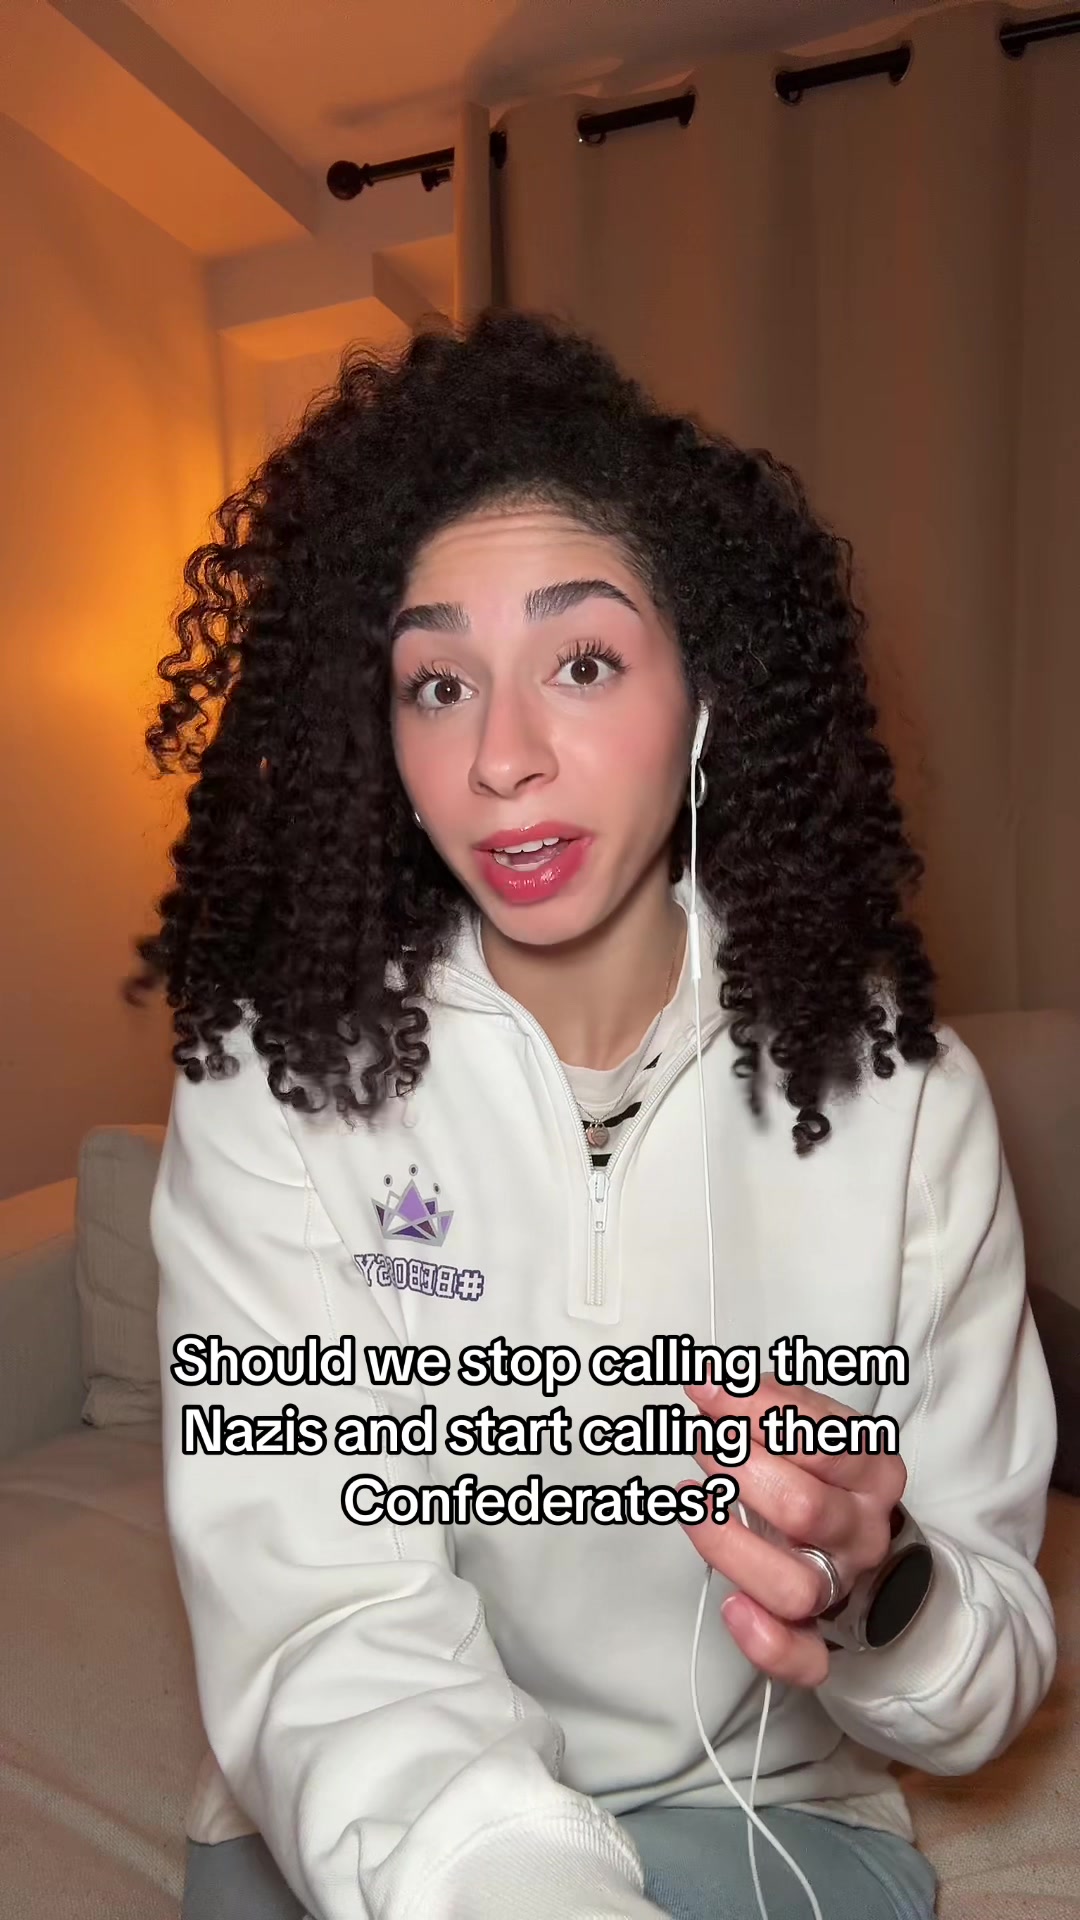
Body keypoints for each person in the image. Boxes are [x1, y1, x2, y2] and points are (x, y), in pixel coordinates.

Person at [129, 308, 1057, 1920]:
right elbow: (327, 1627)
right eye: (437, 684)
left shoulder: (906, 1101)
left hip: (766, 1812)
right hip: (382, 1826)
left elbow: (987, 1676)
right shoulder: (269, 1087)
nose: (502, 757)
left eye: (581, 663)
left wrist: (882, 1587)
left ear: (706, 694)